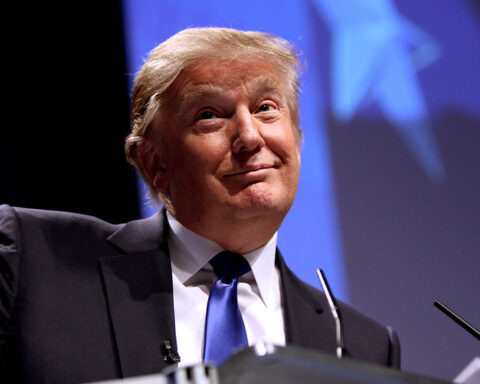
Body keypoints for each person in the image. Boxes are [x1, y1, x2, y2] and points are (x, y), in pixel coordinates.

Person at [0, 27, 400, 383]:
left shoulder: (361, 345)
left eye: (265, 108)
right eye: (209, 115)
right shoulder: (36, 262)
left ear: (296, 140)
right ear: (156, 163)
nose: (249, 137)